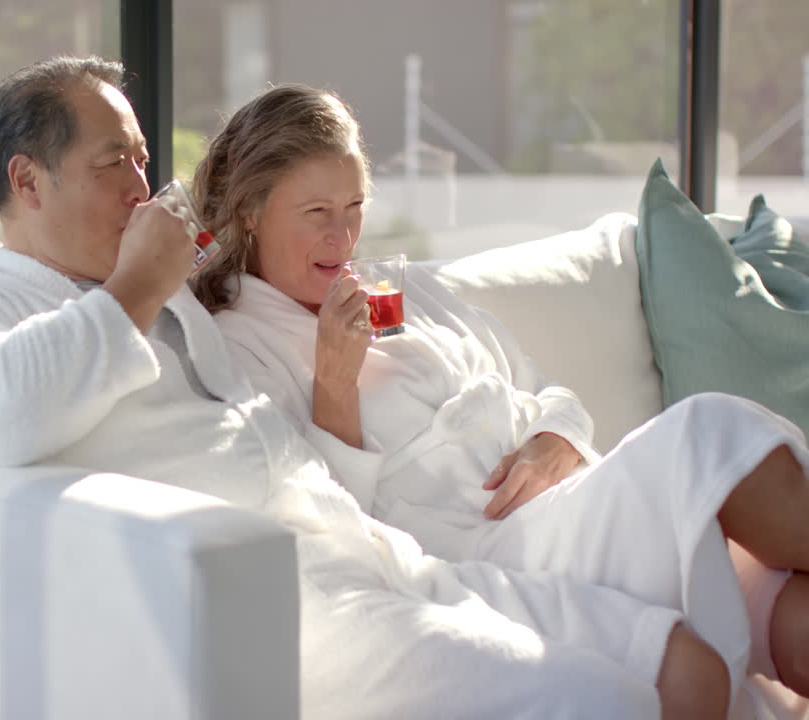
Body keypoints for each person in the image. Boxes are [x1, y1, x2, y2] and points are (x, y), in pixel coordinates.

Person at [0, 55, 784, 719]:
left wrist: (154, 287)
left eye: (142, 159)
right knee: (612, 696)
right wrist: (141, 284)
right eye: (112, 165)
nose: (141, 187)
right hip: (302, 600)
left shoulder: (173, 308)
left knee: (684, 666)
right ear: (26, 179)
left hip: (384, 557)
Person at [190, 83, 809, 703]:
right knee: (708, 432)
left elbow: (545, 390)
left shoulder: (407, 292)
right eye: (316, 212)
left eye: (354, 206)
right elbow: (332, 529)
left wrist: (555, 439)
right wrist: (334, 384)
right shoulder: (240, 345)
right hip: (485, 551)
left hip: (566, 502)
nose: (343, 236)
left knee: (796, 622)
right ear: (252, 212)